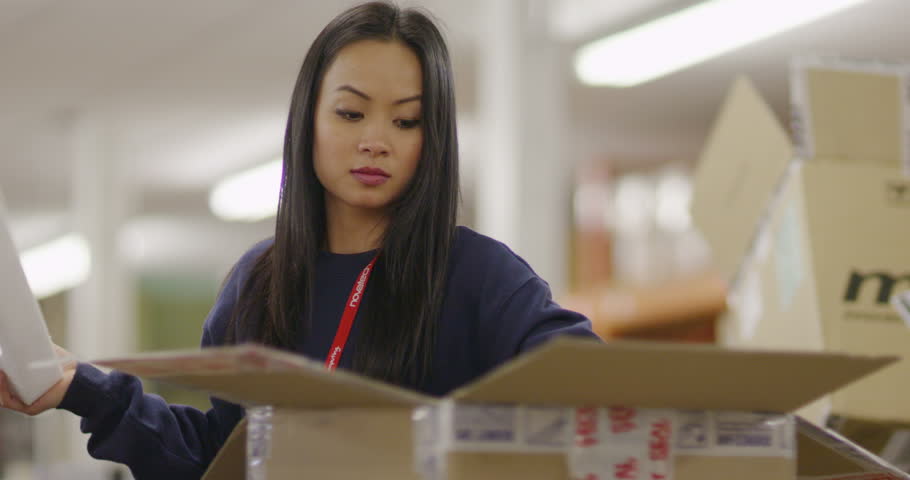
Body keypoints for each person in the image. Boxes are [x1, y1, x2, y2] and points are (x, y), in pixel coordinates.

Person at [0, 2, 598, 479]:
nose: (376, 140)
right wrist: (83, 389)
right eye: (351, 113)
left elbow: (593, 389)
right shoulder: (257, 283)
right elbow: (220, 458)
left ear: (433, 138)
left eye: (406, 120)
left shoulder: (480, 276)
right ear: (308, 118)